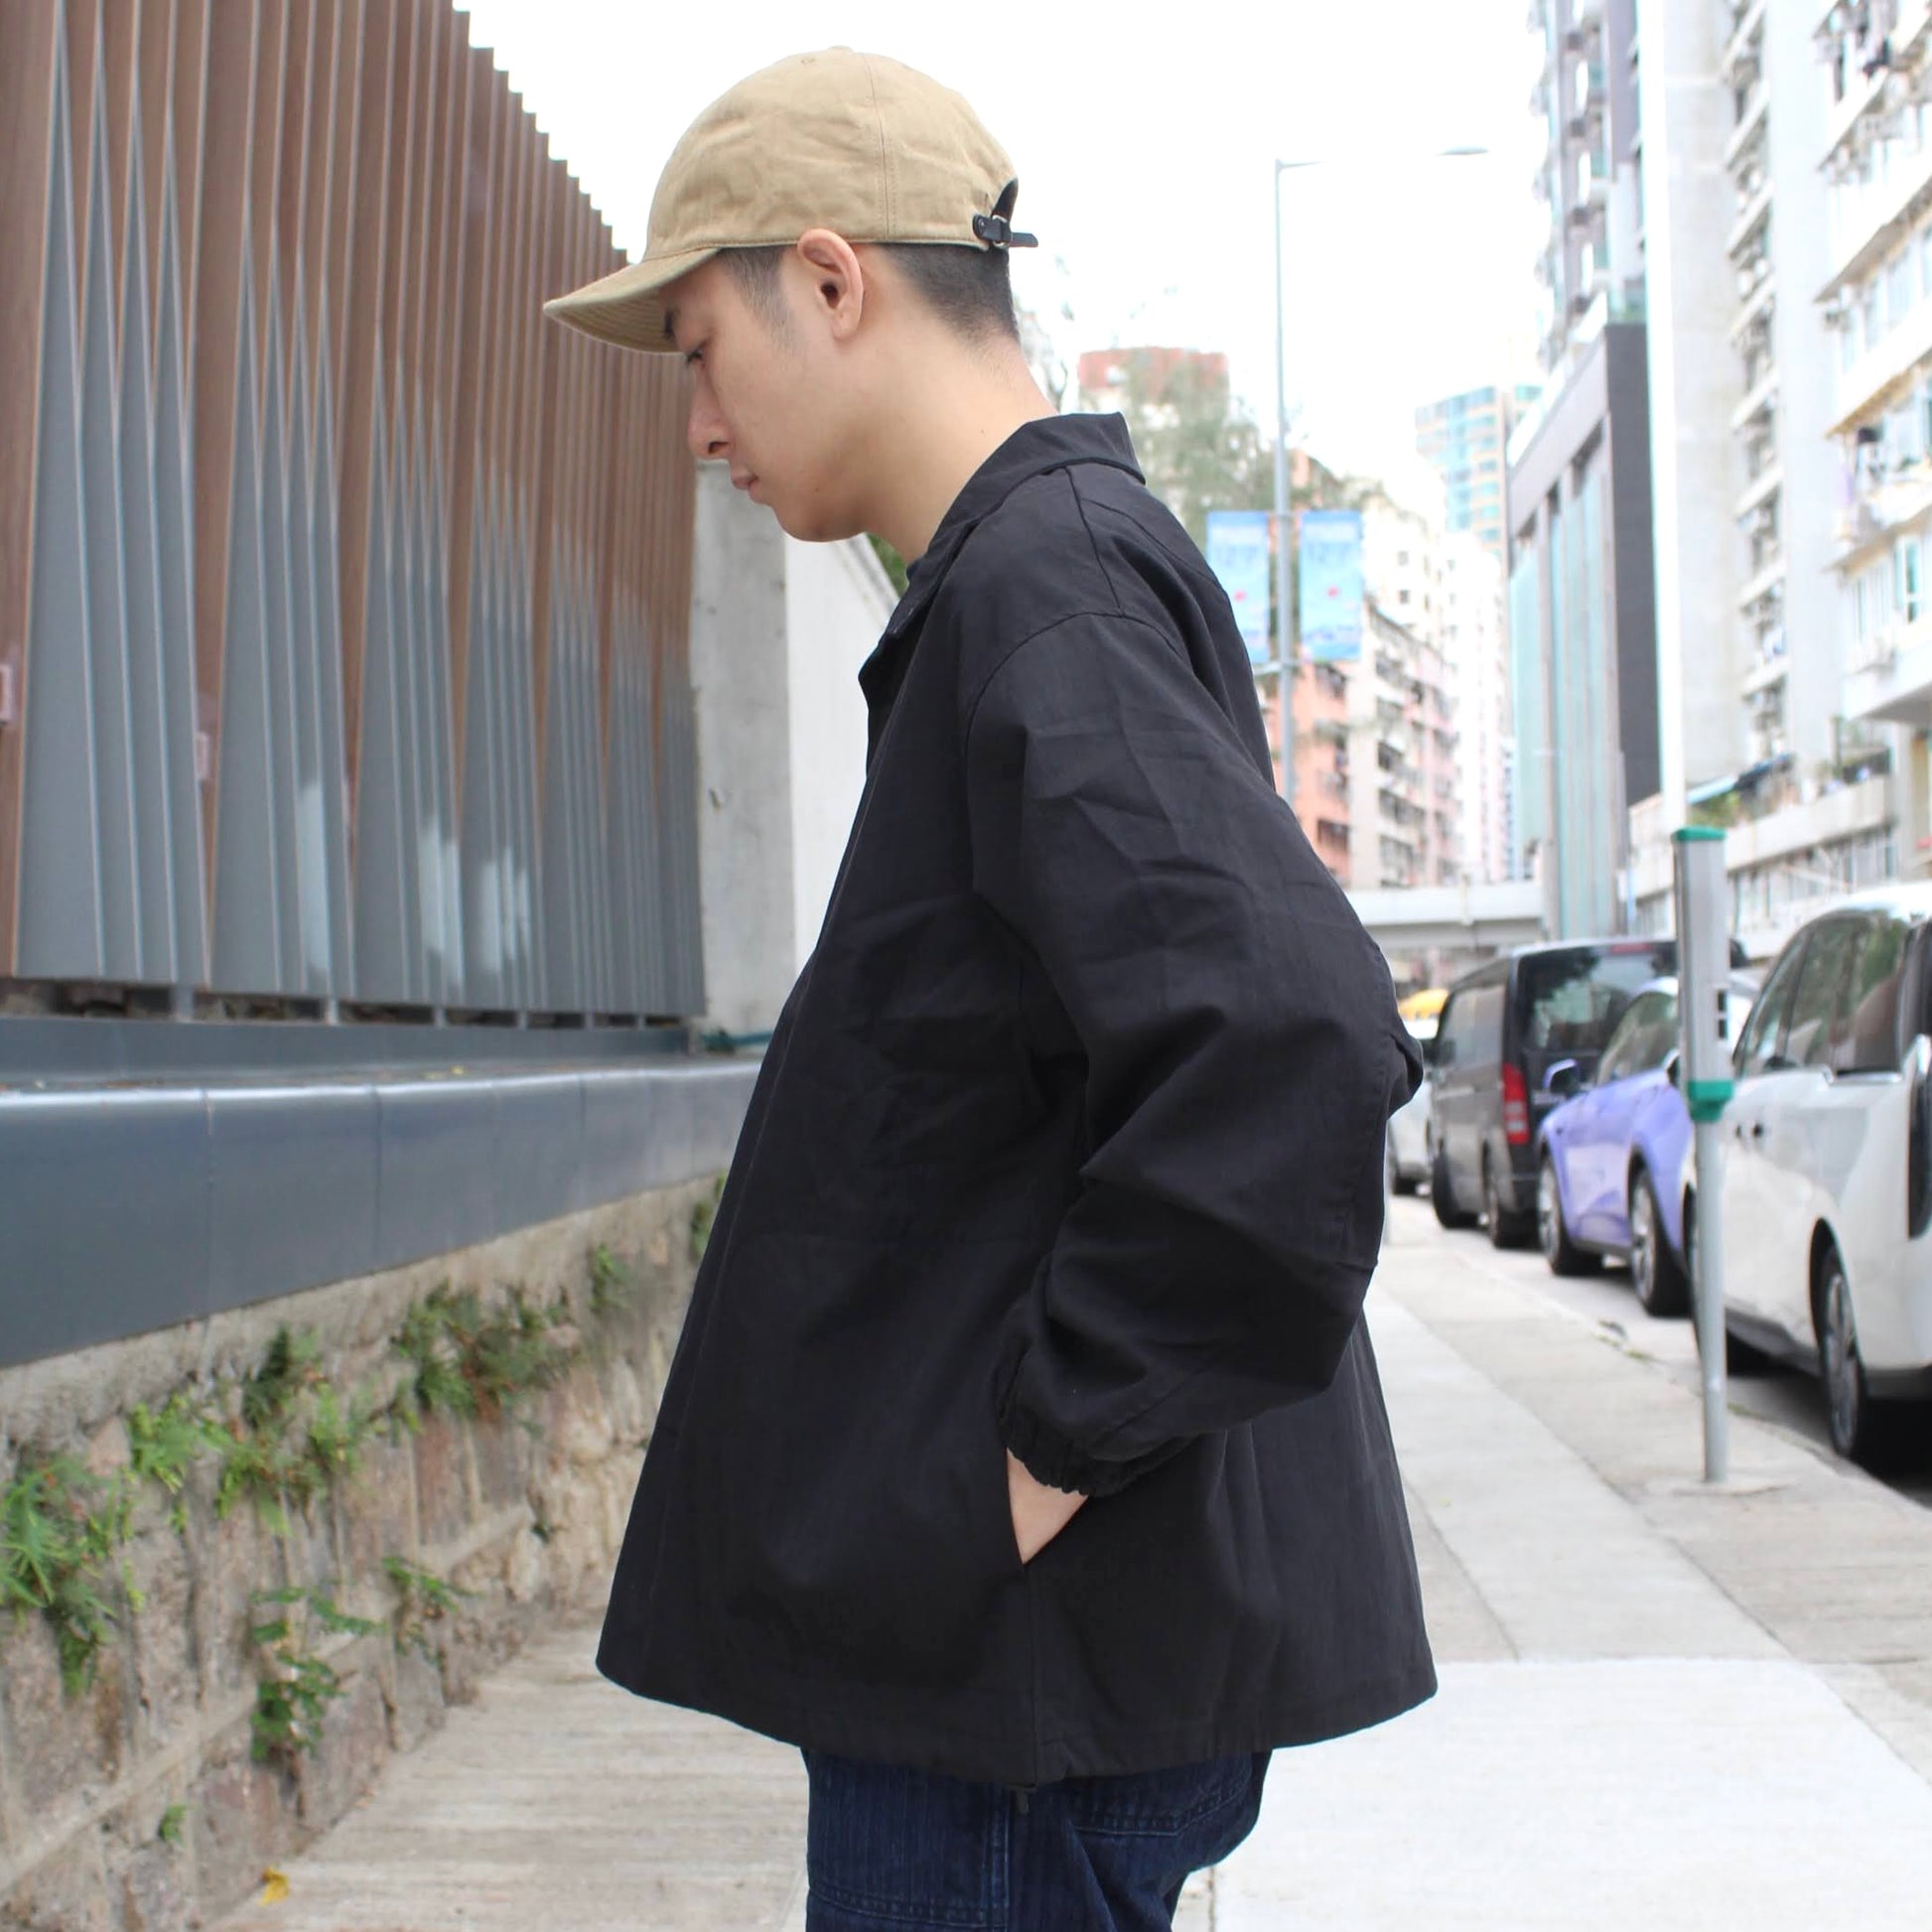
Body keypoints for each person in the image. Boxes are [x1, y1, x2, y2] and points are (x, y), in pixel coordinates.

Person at [544, 48, 1433, 1932]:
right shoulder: (1028, 584)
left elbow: (1287, 1035)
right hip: (1020, 1688)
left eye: (703, 350)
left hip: (1019, 1698)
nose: (696, 427)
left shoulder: (1048, 592)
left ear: (830, 279)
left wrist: (1044, 1444)